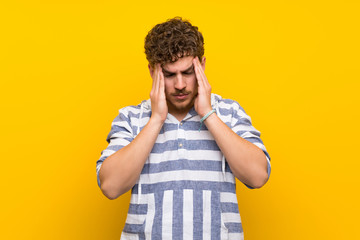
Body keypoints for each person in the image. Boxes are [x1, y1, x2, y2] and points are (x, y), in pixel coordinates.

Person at [96, 16, 271, 240]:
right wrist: (157, 119)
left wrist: (208, 114)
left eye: (187, 72)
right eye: (169, 75)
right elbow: (110, 187)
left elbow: (258, 176)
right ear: (152, 72)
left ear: (202, 66)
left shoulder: (229, 113)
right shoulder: (132, 118)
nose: (180, 85)